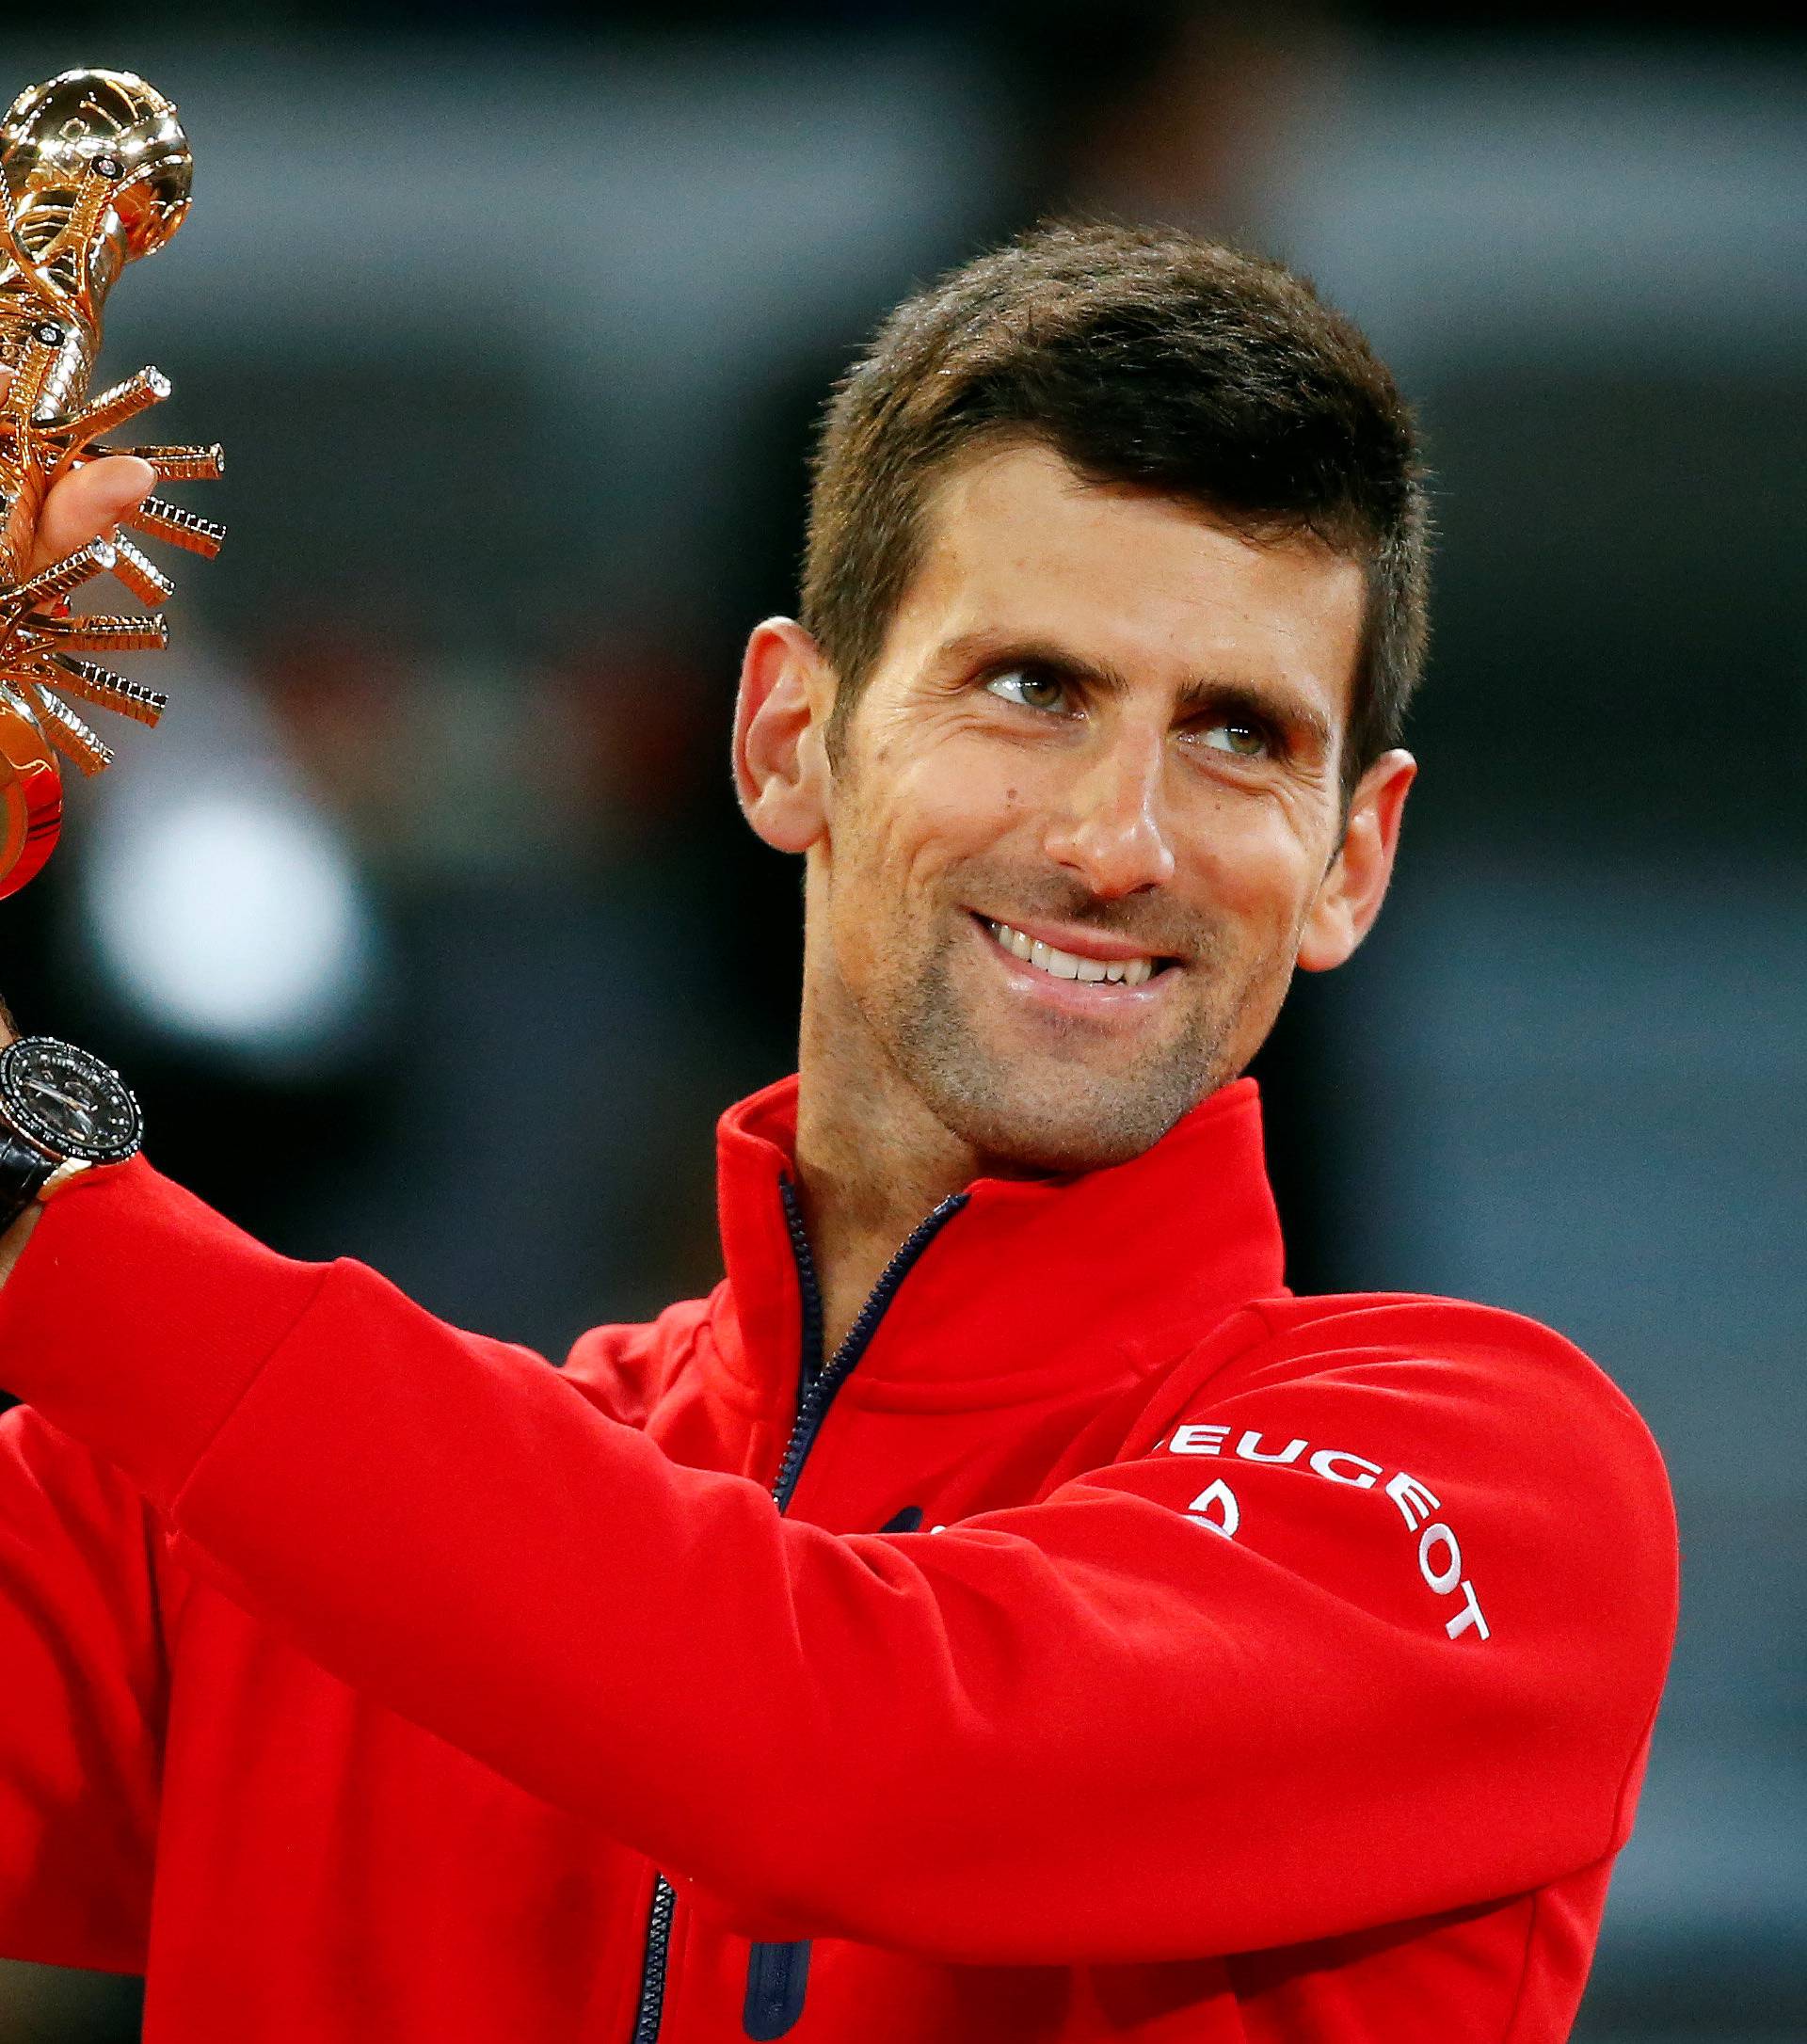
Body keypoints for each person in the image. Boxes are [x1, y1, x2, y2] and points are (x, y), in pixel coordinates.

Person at [0, 223, 1676, 2043]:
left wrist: (40, 1195)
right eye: (1033, 688)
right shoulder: (244, 1544)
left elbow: (859, 1748)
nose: (1122, 841)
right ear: (791, 734)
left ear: (1352, 861)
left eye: (1240, 736)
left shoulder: (1494, 1491)